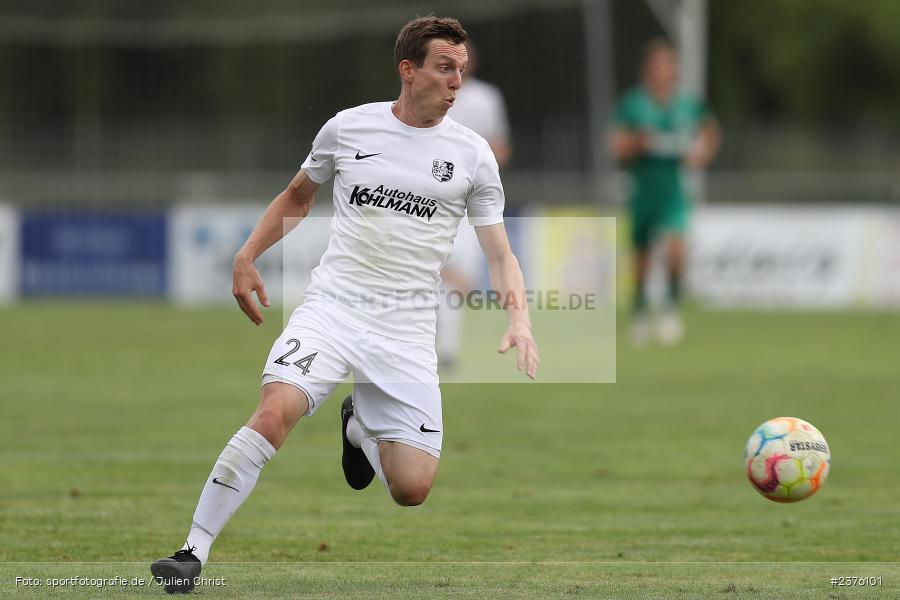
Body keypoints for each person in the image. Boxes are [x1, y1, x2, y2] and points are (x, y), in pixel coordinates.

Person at [149, 16, 538, 594]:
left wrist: (520, 318)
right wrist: (247, 254)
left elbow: (499, 252)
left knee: (412, 488)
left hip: (407, 329)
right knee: (274, 411)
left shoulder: (473, 155)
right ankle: (192, 551)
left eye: (460, 69)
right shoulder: (349, 128)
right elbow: (298, 196)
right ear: (408, 70)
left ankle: (358, 428)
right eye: (444, 68)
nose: (457, 81)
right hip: (334, 307)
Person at [609, 39, 719, 346]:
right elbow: (617, 145)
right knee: (641, 256)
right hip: (643, 190)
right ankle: (640, 312)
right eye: (657, 65)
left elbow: (710, 131)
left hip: (673, 191)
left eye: (668, 65)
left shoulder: (687, 104)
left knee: (676, 249)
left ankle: (670, 308)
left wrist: (702, 153)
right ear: (648, 69)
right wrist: (637, 143)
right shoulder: (633, 104)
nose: (663, 71)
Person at [437, 40, 513, 369]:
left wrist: (479, 172)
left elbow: (501, 148)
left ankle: (444, 350)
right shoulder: (430, 95)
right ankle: (440, 349)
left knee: (460, 279)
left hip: (470, 204)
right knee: (441, 273)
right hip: (433, 202)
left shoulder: (486, 98)